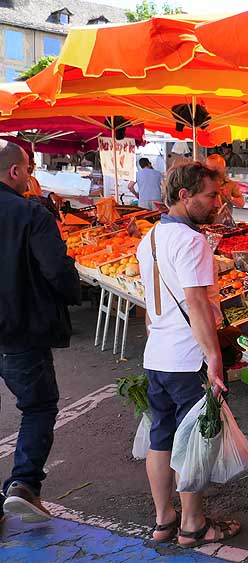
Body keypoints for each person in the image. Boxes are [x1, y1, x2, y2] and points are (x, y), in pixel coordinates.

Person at [136, 162, 242, 548]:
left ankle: (164, 520)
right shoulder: (192, 241)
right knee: (196, 441)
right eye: (210, 195)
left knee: (161, 438)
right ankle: (193, 525)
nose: (217, 202)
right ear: (184, 196)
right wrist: (213, 358)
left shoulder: (148, 239)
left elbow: (150, 303)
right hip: (188, 359)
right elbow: (197, 304)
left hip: (157, 356)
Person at [0, 141, 81, 523]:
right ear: (15, 172)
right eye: (29, 168)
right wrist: (72, 293)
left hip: (15, 330)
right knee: (38, 405)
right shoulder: (31, 213)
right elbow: (57, 269)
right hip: (21, 329)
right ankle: (24, 484)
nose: (31, 174)